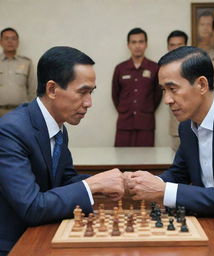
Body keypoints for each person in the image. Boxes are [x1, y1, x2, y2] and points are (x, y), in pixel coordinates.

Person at [125, 46, 214, 255]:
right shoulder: (186, 126)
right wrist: (146, 182)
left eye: (173, 89)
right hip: (206, 224)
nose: (167, 99)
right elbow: (179, 173)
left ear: (202, 84)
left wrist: (163, 191)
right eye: (163, 90)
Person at [0, 46, 125, 255]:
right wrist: (93, 184)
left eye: (91, 92)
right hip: (14, 245)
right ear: (52, 89)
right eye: (82, 92)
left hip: (44, 233)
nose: (89, 103)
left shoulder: (58, 127)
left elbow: (65, 181)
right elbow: (32, 207)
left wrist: (108, 182)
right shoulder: (10, 131)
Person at [112, 27, 162, 147]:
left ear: (146, 44)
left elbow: (158, 95)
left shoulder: (155, 68)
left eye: (141, 42)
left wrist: (146, 109)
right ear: (128, 45)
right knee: (121, 160)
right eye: (133, 42)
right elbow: (115, 94)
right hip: (124, 123)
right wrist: (124, 110)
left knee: (146, 162)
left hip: (146, 124)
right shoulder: (120, 68)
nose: (137, 46)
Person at [0, 27, 36, 117]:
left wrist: (30, 110)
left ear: (18, 42)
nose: (10, 41)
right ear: (1, 42)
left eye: (13, 38)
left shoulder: (26, 62)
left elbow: (32, 89)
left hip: (21, 112)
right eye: (6, 38)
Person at [167, 30, 188, 151]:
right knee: (177, 162)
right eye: (172, 45)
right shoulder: (164, 69)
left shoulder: (195, 66)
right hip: (177, 126)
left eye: (179, 45)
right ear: (168, 47)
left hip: (197, 123)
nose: (175, 49)